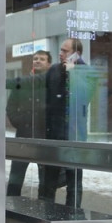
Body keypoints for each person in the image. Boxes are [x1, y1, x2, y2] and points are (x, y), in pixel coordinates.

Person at [42, 38, 92, 207]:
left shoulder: (86, 71)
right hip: (54, 133)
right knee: (49, 180)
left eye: (65, 51)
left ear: (76, 54)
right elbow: (47, 102)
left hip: (74, 135)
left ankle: (73, 214)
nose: (60, 53)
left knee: (74, 180)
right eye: (61, 50)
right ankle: (46, 212)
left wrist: (73, 74)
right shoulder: (54, 70)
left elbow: (85, 98)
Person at [5, 50, 51, 197]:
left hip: (44, 136)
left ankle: (43, 210)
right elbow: (11, 106)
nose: (37, 61)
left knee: (45, 180)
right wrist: (18, 121)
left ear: (48, 64)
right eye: (35, 58)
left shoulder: (51, 84)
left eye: (42, 59)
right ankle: (11, 209)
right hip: (23, 135)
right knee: (16, 178)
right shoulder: (23, 83)